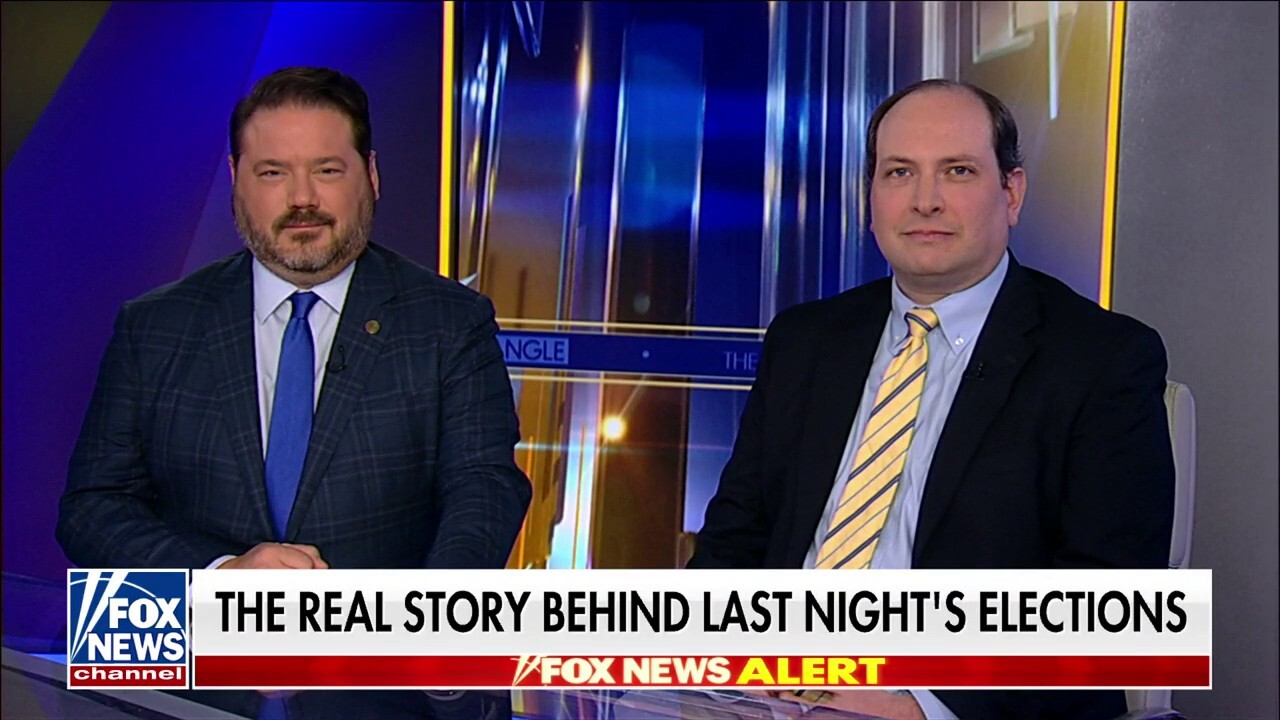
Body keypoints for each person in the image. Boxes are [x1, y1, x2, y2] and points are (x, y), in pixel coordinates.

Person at [688, 79, 1175, 720]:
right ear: (870, 199)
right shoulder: (805, 341)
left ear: (1012, 193)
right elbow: (732, 544)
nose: (925, 200)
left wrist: (921, 706)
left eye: (958, 171)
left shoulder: (1103, 359)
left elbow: (1107, 608)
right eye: (899, 172)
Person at [57, 66, 531, 720]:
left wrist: (434, 624)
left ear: (371, 175)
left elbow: (484, 484)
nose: (302, 198)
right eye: (273, 172)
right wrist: (218, 580)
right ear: (236, 181)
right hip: (189, 694)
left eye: (327, 170)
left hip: (380, 701)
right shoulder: (155, 326)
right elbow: (92, 508)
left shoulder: (449, 321)